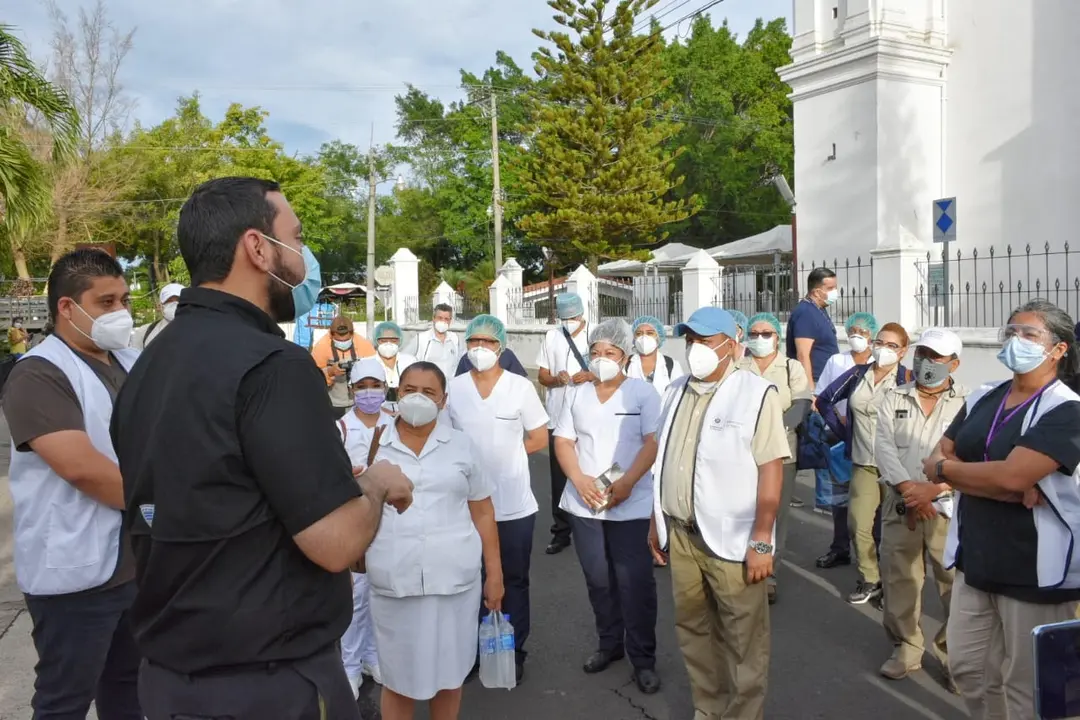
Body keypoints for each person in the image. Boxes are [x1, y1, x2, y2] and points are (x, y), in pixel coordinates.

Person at [109, 177, 413, 719]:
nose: (302, 259)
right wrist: (375, 482)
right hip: (269, 683)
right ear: (256, 247)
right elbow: (338, 541)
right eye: (294, 239)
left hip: (168, 679)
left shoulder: (149, 365)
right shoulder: (273, 367)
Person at [2, 248, 142, 719]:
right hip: (77, 573)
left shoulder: (128, 360)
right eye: (106, 302)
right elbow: (83, 469)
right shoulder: (38, 374)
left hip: (133, 564)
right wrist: (166, 503)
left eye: (124, 300)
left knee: (129, 687)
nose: (121, 312)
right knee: (66, 698)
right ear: (67, 307)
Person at [925, 300, 1080, 720]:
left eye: (1029, 335)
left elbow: (1011, 475)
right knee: (969, 669)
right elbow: (938, 456)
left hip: (1034, 569)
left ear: (1058, 350)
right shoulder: (984, 395)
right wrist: (993, 484)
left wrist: (963, 474)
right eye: (1011, 332)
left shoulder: (1067, 408)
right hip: (976, 559)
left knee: (1029, 685)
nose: (1016, 341)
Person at [648, 307, 788, 720]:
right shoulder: (675, 390)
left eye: (705, 342)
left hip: (732, 540)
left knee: (744, 639)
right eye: (690, 341)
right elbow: (664, 462)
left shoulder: (755, 393)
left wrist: (762, 539)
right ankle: (707, 709)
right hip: (682, 534)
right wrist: (654, 522)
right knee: (693, 630)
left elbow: (772, 469)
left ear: (731, 344)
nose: (696, 350)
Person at [357, 362, 503, 720]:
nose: (417, 398)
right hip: (396, 581)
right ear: (397, 393)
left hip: (453, 582)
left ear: (443, 400)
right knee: (397, 680)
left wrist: (495, 574)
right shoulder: (375, 445)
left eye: (428, 392)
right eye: (409, 390)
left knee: (450, 678)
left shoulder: (462, 445)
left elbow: (483, 511)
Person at [553, 318, 661, 694]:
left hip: (629, 502)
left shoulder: (642, 395)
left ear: (625, 356)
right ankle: (609, 644)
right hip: (585, 503)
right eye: (596, 352)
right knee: (599, 579)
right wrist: (579, 480)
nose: (602, 359)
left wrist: (628, 482)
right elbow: (563, 441)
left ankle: (643, 658)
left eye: (610, 353)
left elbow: (651, 443)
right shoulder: (576, 394)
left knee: (635, 583)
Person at [446, 314, 548, 683]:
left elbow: (539, 437)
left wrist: (507, 454)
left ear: (501, 347)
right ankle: (474, 649)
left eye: (488, 343)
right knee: (472, 579)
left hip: (514, 505)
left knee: (514, 579)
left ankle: (514, 647)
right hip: (465, 506)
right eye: (474, 342)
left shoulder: (519, 387)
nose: (480, 349)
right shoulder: (454, 389)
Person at [873, 327, 967, 685]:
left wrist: (935, 489)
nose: (927, 363)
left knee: (954, 585)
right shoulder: (893, 397)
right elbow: (883, 448)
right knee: (900, 579)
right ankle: (907, 648)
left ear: (954, 364)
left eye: (937, 357)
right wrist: (910, 491)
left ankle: (952, 655)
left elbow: (967, 456)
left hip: (947, 507)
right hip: (901, 505)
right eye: (923, 354)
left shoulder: (967, 403)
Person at [817, 323, 913, 605]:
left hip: (897, 467)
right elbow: (825, 400)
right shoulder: (858, 375)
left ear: (904, 351)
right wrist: (841, 426)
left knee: (895, 529)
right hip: (863, 462)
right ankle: (871, 577)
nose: (884, 348)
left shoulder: (907, 378)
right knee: (858, 523)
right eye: (880, 342)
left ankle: (895, 585)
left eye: (892, 345)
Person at [738, 312, 811, 604]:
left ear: (777, 338)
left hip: (782, 451)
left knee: (776, 513)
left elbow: (802, 402)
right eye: (754, 334)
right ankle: (741, 563)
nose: (759, 339)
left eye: (765, 334)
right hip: (743, 451)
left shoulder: (791, 367)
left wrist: (776, 428)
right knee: (745, 509)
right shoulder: (738, 365)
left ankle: (769, 575)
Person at [337, 357, 394, 698]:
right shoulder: (341, 428)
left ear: (385, 389)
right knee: (356, 597)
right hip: (357, 520)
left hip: (391, 521)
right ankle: (349, 665)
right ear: (352, 390)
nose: (370, 393)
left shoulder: (397, 422)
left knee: (382, 594)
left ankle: (374, 657)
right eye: (362, 387)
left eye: (376, 386)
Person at [814, 311, 878, 570]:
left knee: (870, 500)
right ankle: (840, 547)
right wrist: (837, 422)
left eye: (862, 332)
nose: (857, 336)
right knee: (839, 498)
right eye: (853, 331)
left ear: (871, 335)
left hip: (871, 440)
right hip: (838, 436)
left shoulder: (878, 363)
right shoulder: (836, 361)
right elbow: (822, 397)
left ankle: (874, 557)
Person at [536, 292, 592, 555]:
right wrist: (556, 379)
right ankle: (561, 531)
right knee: (560, 477)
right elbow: (542, 375)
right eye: (565, 317)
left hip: (591, 416)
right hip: (558, 416)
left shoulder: (597, 334)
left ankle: (592, 524)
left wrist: (590, 374)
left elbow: (614, 369)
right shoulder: (552, 337)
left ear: (582, 314)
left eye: (574, 317)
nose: (570, 321)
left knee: (592, 468)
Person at [311, 314, 376, 419]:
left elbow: (375, 372)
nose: (342, 342)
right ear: (332, 334)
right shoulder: (320, 347)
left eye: (346, 339)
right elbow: (312, 377)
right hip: (332, 402)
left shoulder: (364, 345)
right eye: (339, 340)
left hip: (359, 401)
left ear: (352, 333)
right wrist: (329, 372)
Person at [786, 267, 840, 389]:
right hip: (815, 382)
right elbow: (803, 354)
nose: (835, 292)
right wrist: (810, 391)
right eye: (830, 288)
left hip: (825, 379)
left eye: (835, 287)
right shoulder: (805, 313)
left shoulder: (819, 308)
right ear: (816, 292)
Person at [627, 314, 684, 395]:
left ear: (658, 337)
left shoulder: (671, 365)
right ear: (634, 338)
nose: (644, 337)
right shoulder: (626, 364)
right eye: (639, 333)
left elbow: (678, 396)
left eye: (650, 333)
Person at [409, 303, 461, 380]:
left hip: (451, 387)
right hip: (428, 387)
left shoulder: (455, 339)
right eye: (440, 318)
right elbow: (404, 359)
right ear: (433, 318)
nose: (443, 322)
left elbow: (460, 363)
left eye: (446, 319)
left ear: (450, 321)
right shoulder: (420, 339)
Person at [373, 320, 417, 409]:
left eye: (393, 340)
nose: (388, 344)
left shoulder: (410, 361)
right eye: (383, 340)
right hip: (377, 413)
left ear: (399, 341)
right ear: (376, 340)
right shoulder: (367, 363)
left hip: (406, 412)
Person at [130, 283, 185, 349]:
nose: (174, 304)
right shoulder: (144, 332)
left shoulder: (198, 331)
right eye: (169, 301)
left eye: (179, 300)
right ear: (160, 306)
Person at [454, 344, 529, 378]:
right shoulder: (466, 359)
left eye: (488, 340)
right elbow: (458, 386)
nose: (481, 343)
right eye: (475, 339)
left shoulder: (507, 355)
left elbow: (521, 381)